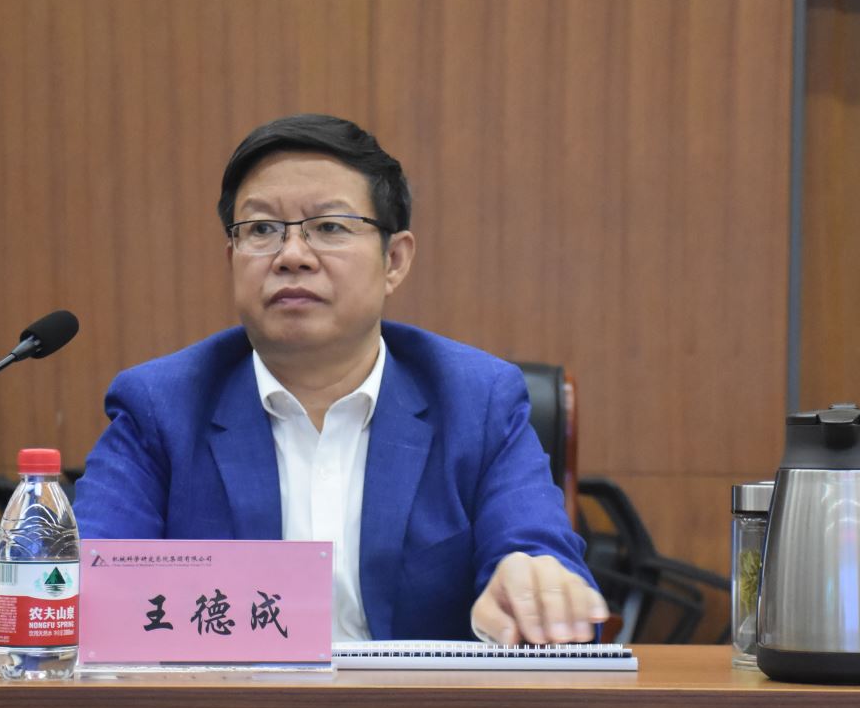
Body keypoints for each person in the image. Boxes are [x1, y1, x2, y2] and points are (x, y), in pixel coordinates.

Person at [75, 114, 605, 645]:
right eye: (261, 230)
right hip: (226, 699)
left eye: (329, 227)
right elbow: (90, 585)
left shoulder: (476, 401)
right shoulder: (161, 406)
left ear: (394, 260)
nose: (292, 256)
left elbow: (539, 555)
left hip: (420, 701)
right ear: (232, 257)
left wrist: (535, 588)